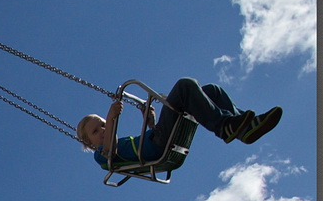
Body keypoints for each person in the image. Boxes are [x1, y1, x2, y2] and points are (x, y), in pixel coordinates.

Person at [77, 78, 282, 170]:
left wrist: (150, 122)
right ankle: (224, 127)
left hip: (160, 140)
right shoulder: (102, 156)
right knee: (185, 86)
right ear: (90, 144)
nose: (103, 130)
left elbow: (150, 140)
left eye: (103, 124)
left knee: (211, 90)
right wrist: (111, 117)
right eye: (96, 131)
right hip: (160, 146)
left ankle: (244, 127)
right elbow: (109, 147)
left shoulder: (122, 144)